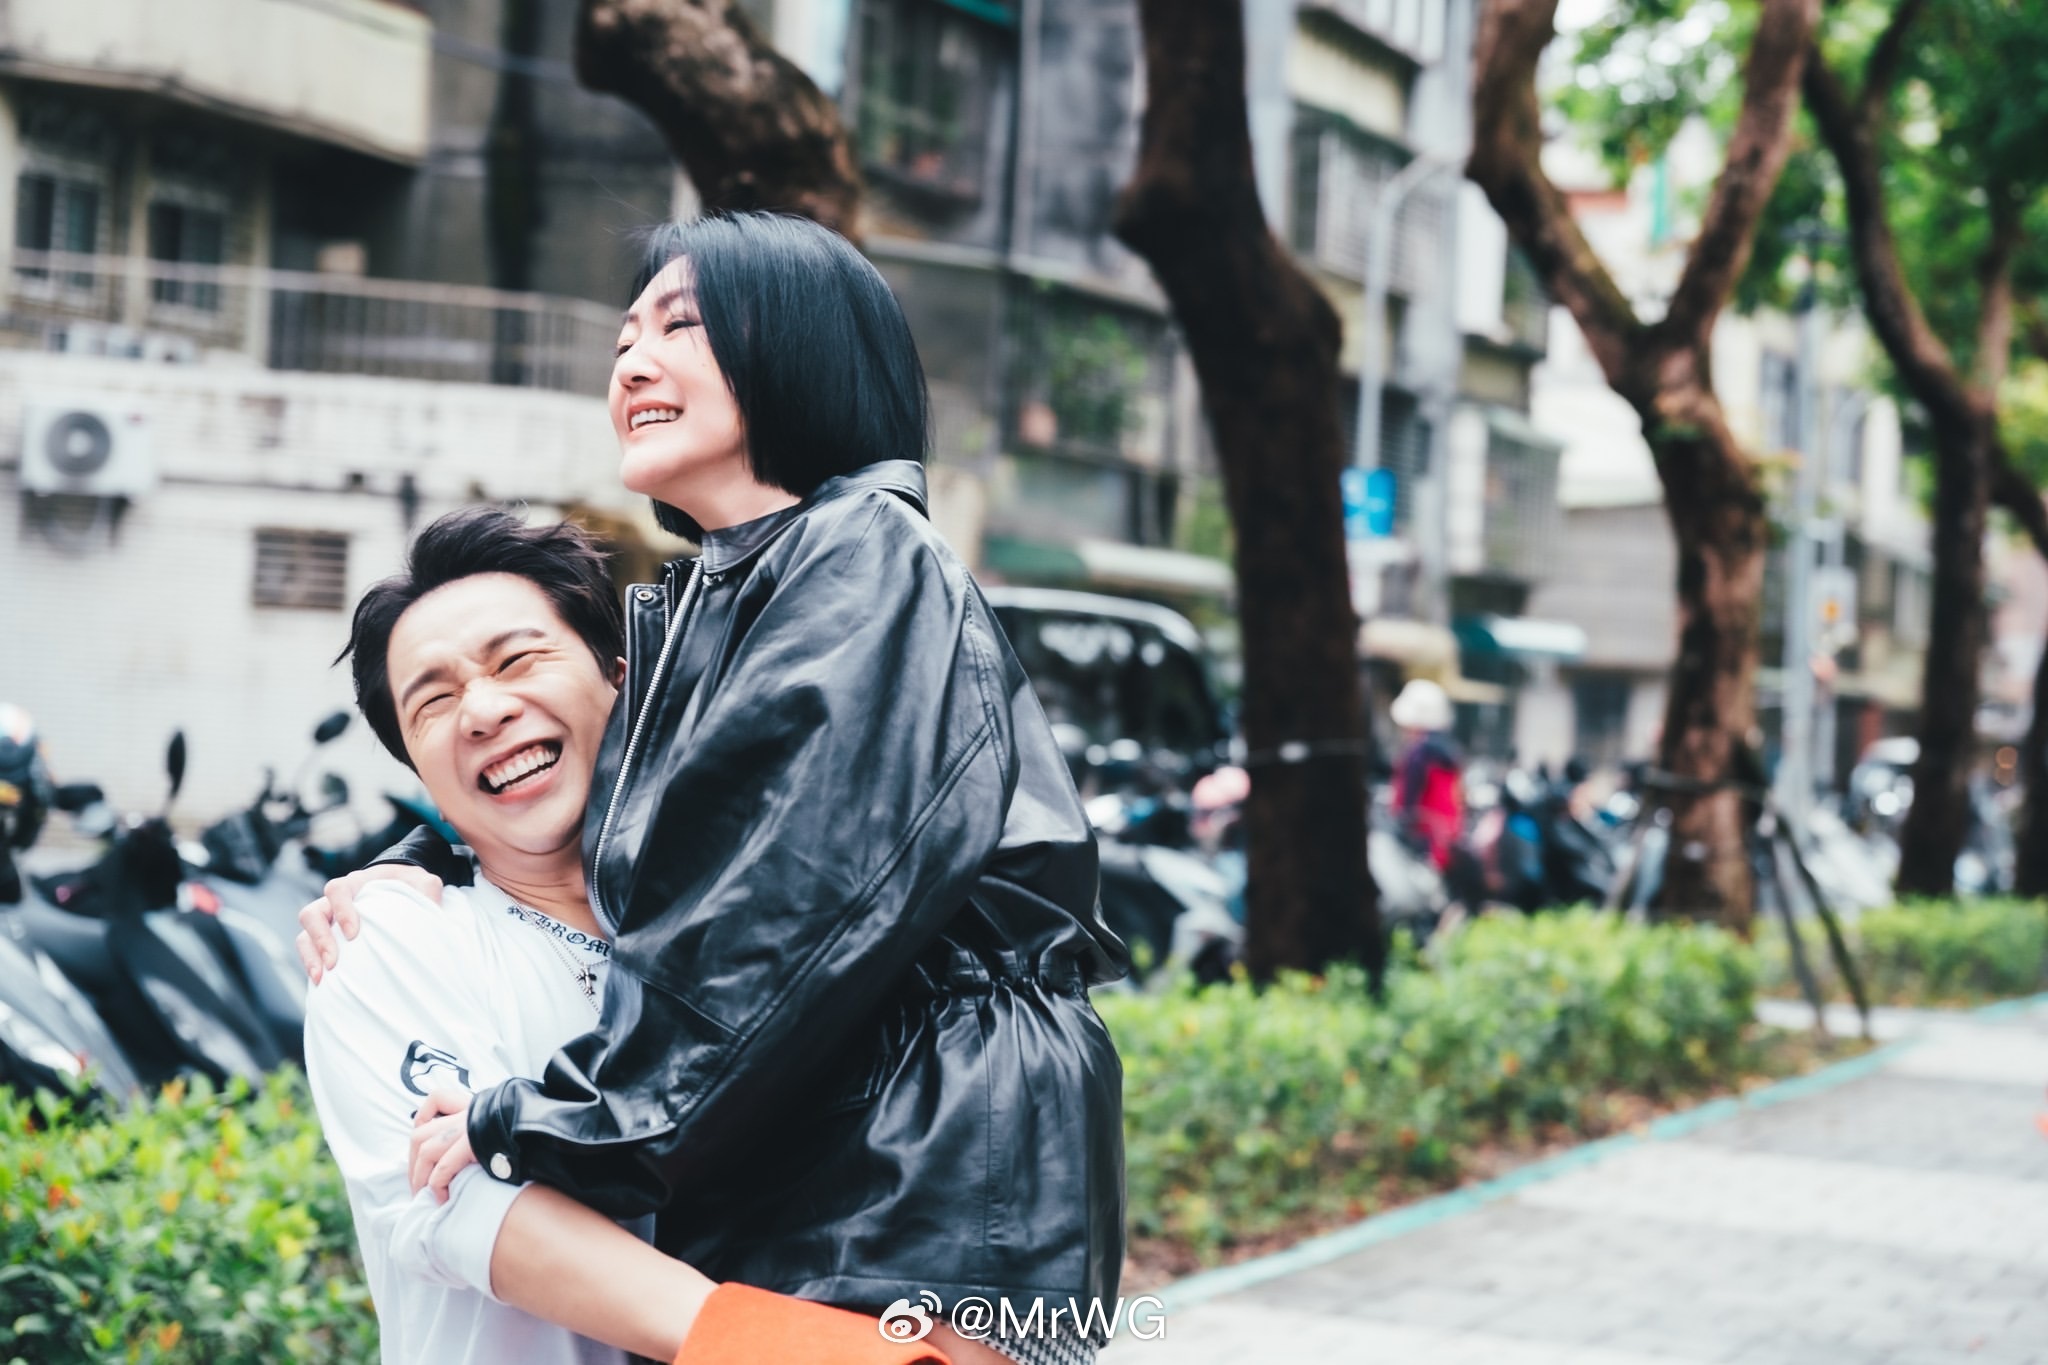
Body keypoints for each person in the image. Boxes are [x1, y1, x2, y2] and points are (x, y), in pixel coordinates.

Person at [303, 212, 1129, 1365]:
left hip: (921, 1204)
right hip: (869, 1197)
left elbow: (789, 904)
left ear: (798, 347)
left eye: (678, 326)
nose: (632, 364)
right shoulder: (737, 599)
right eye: (622, 341)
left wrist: (552, 1119)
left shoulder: (858, 553)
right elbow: (653, 804)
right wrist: (422, 859)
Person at [304, 507, 950, 1365]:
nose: (484, 710)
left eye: (517, 660)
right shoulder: (386, 940)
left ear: (621, 677)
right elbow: (461, 1203)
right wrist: (799, 1349)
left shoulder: (743, 920)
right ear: (416, 763)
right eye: (435, 700)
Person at [1389, 678, 1462, 872]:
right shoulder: (1448, 750)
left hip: (1422, 845)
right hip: (1443, 845)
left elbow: (1407, 807)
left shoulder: (1420, 753)